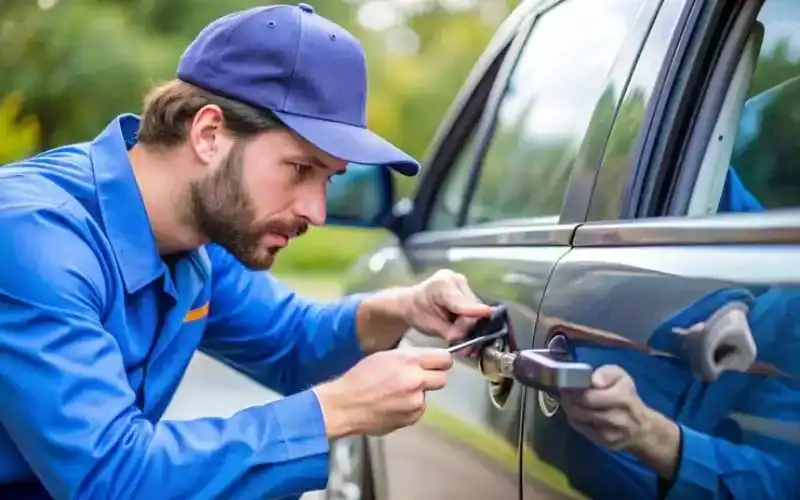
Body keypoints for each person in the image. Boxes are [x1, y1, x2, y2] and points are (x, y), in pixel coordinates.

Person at [0, 4, 494, 499]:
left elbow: (291, 342)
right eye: (300, 169)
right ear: (208, 134)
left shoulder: (195, 242)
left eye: (329, 179)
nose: (317, 212)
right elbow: (112, 479)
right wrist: (336, 410)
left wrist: (403, 307)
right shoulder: (32, 236)